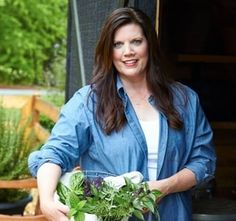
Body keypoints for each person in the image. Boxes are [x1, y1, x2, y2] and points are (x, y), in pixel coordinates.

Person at [28, 7, 216, 221]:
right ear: (109, 51)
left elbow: (203, 160)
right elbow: (55, 154)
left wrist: (164, 187)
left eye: (136, 41)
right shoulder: (88, 102)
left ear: (149, 45)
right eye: (118, 44)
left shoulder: (184, 100)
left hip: (172, 215)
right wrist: (46, 200)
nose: (128, 51)